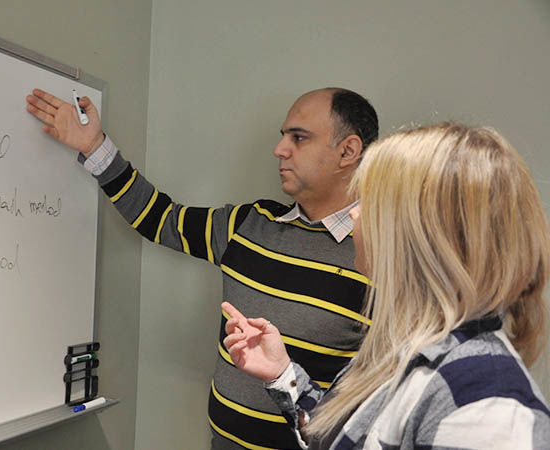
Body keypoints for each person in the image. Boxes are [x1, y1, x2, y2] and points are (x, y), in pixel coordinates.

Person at [26, 87, 379, 449]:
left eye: (299, 137)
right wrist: (94, 146)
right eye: (283, 136)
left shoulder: (381, 259)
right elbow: (160, 219)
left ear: (347, 151)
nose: (280, 149)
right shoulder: (248, 223)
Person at [223, 123, 550, 449]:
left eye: (368, 202)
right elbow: (343, 437)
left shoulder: (485, 409)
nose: (353, 216)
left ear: (420, 232)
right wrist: (282, 374)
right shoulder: (403, 346)